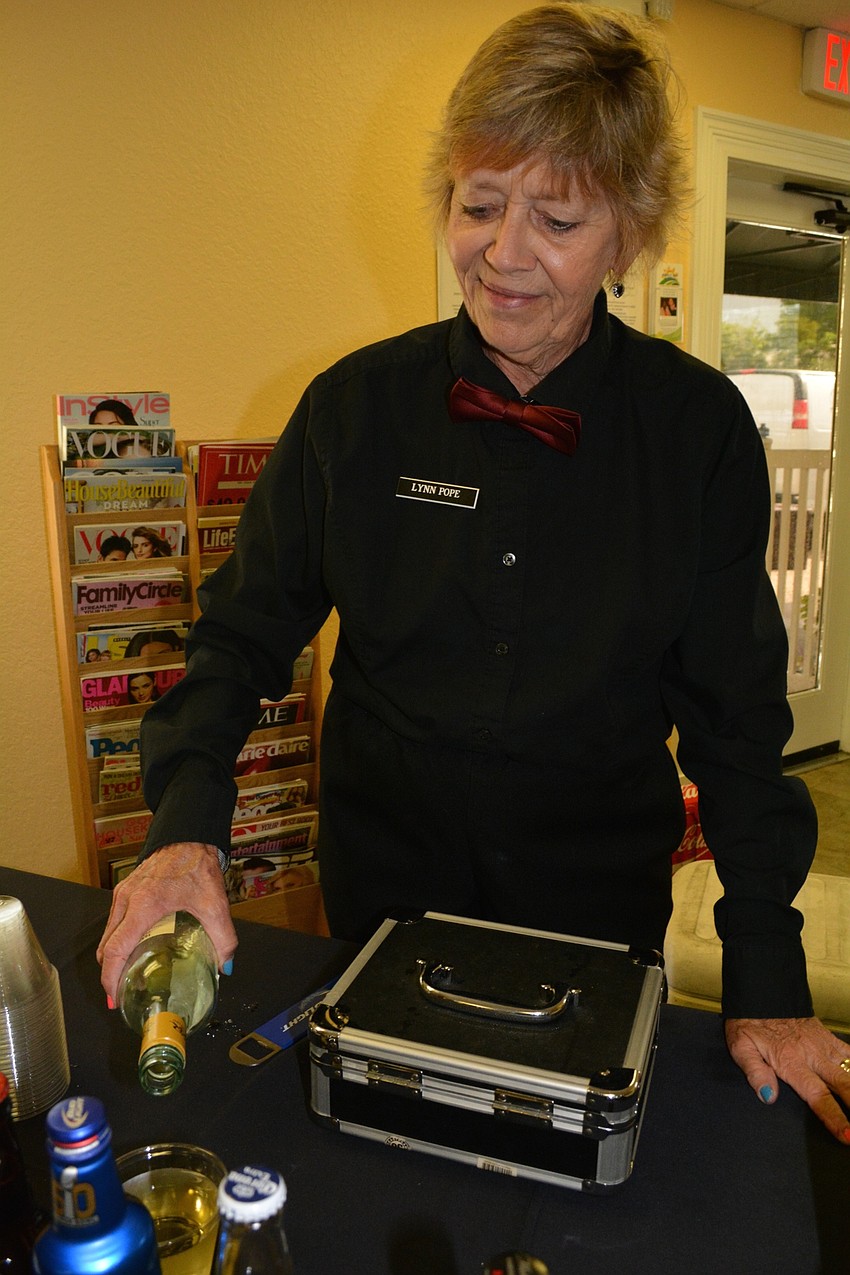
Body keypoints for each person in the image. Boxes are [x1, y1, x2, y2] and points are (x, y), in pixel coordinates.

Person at [96, 4, 850, 1143]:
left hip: (592, 918)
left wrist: (765, 975)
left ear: (629, 235)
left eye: (555, 218)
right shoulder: (353, 408)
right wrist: (182, 833)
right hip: (381, 898)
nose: (502, 255)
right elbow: (240, 637)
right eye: (478, 205)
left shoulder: (696, 433)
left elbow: (734, 723)